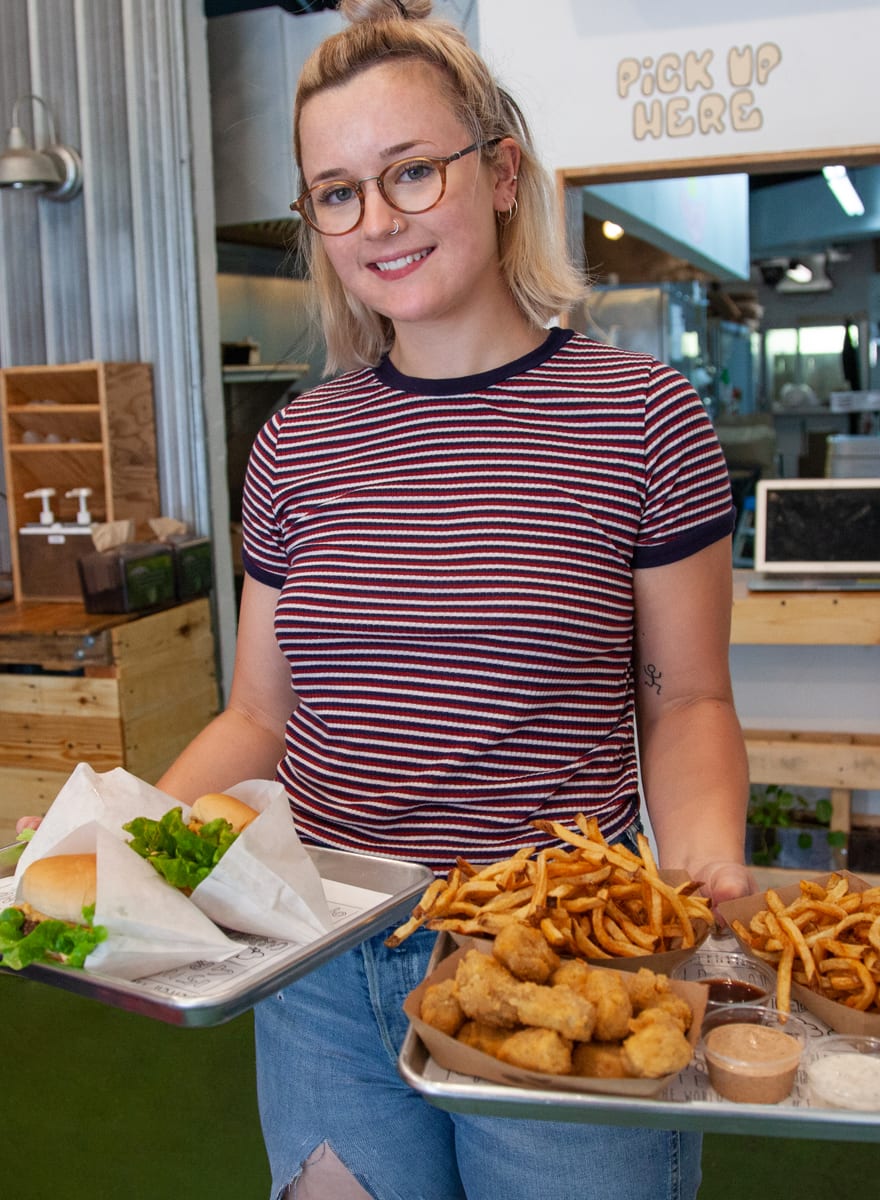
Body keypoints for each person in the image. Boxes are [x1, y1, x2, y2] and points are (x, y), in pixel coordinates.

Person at [20, 2, 754, 1196]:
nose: (380, 220)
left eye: (412, 171)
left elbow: (685, 699)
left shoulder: (639, 416)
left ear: (502, 171)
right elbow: (259, 717)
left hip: (563, 949)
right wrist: (108, 837)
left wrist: (706, 858)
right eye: (339, 192)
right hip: (321, 956)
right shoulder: (298, 444)